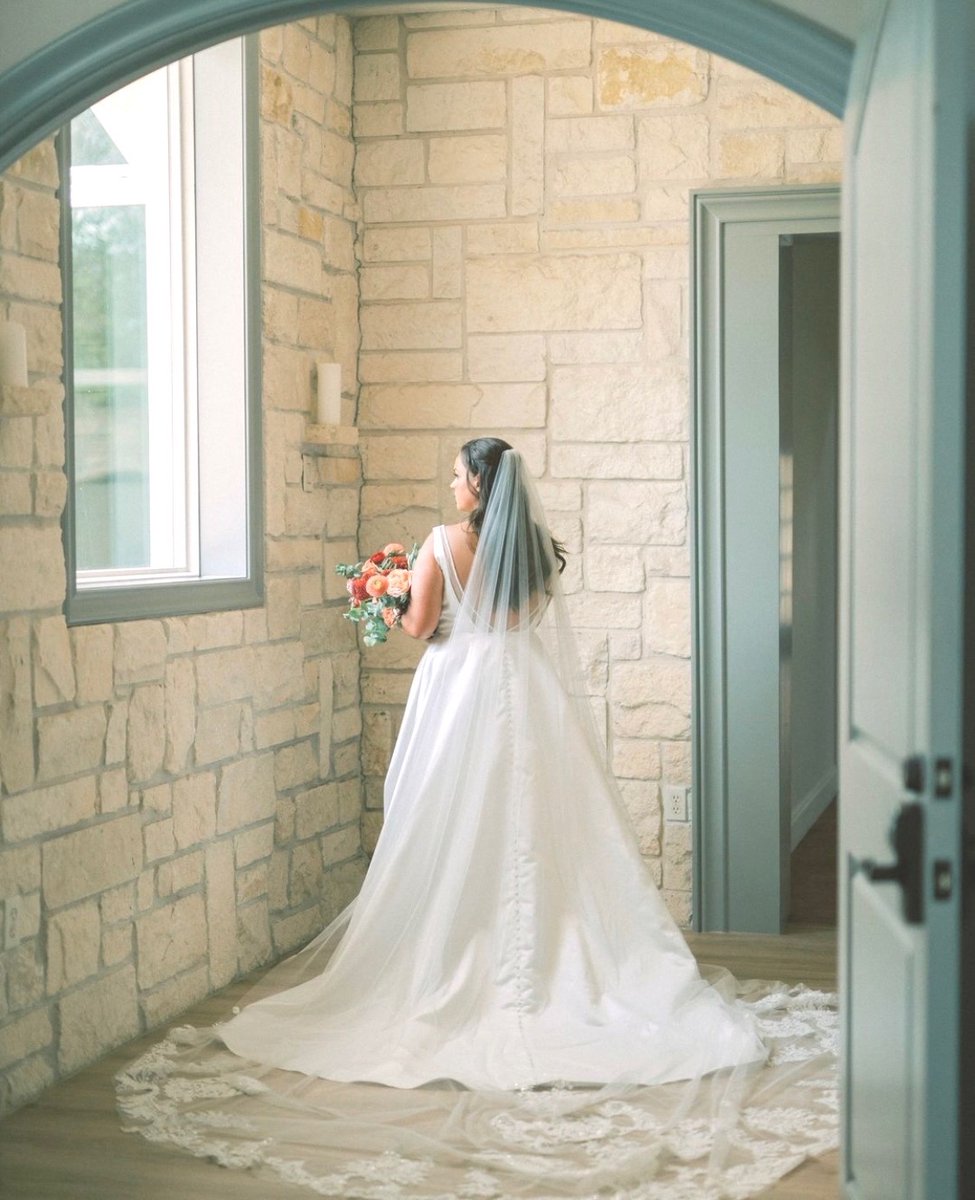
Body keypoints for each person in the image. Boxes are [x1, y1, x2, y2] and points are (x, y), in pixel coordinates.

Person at [116, 438, 839, 1197]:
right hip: (527, 695)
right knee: (544, 828)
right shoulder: (533, 548)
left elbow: (424, 626)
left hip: (458, 694)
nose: (450, 485)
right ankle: (564, 963)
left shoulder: (439, 542)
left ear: (477, 485)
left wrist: (387, 596)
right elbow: (521, 621)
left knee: (451, 822)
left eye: (457, 476)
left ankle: (465, 948)